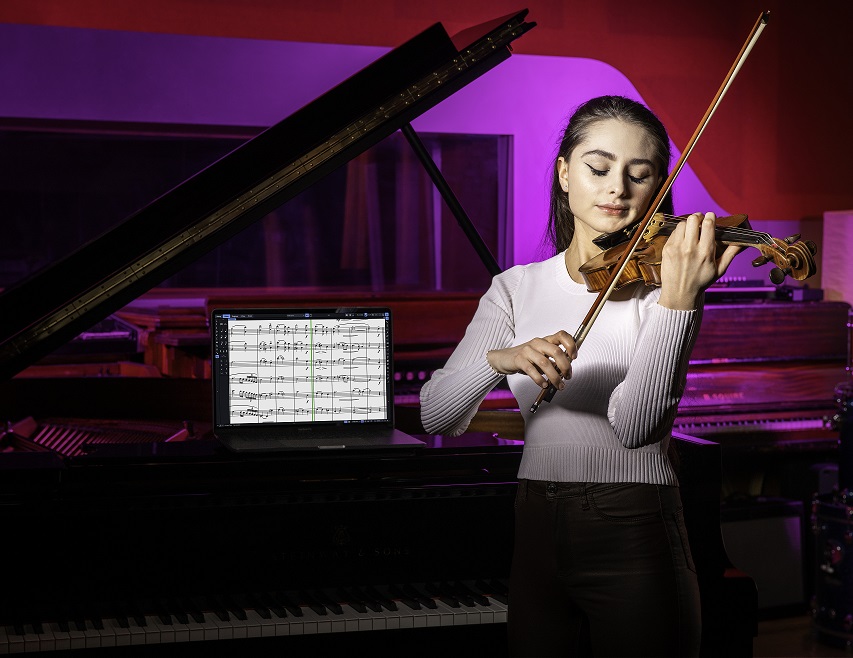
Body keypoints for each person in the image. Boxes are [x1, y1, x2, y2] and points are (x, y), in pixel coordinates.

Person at [419, 95, 743, 657]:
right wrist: (501, 359)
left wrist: (680, 301)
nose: (617, 188)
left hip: (635, 530)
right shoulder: (514, 289)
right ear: (565, 174)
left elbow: (636, 426)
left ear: (656, 191)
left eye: (638, 176)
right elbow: (434, 413)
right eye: (598, 168)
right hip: (535, 526)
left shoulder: (663, 290)